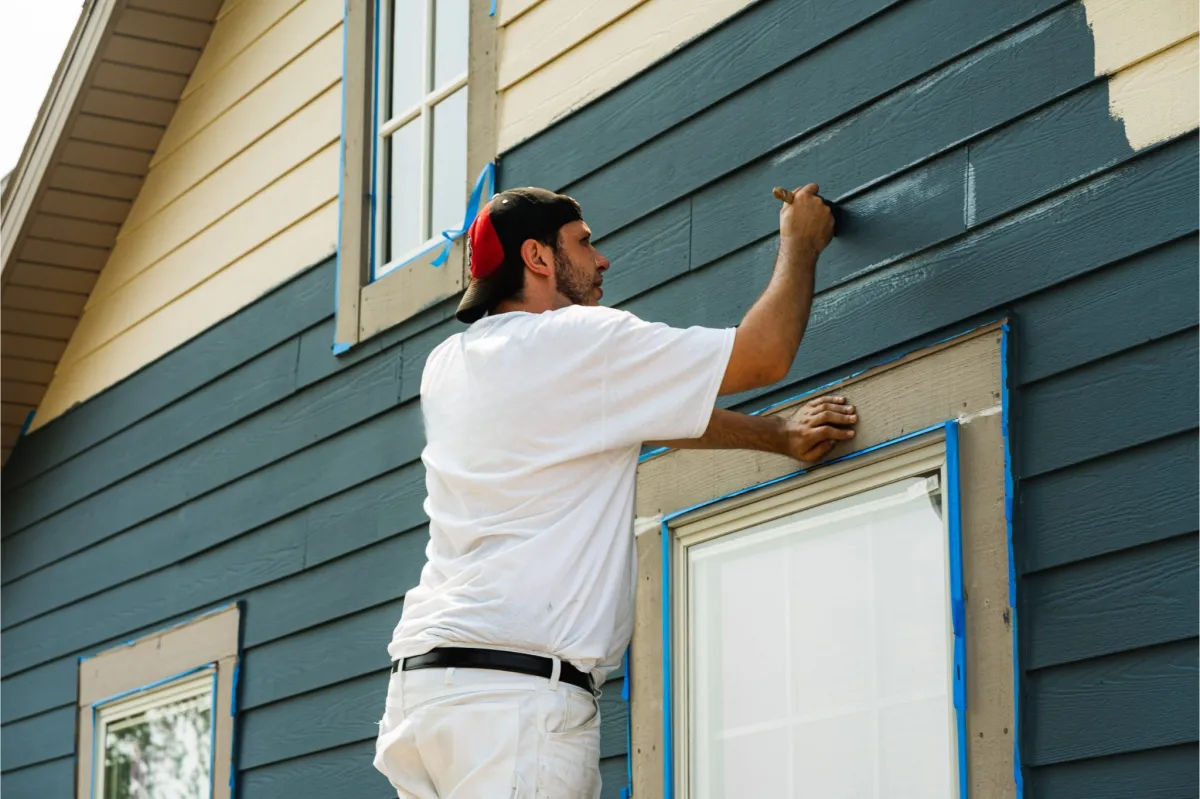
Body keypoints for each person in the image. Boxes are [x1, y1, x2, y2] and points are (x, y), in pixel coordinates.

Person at [373, 183, 857, 797]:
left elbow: (647, 415)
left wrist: (778, 436)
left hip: (424, 700)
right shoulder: (576, 338)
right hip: (514, 707)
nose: (602, 261)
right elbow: (763, 356)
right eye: (584, 243)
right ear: (538, 258)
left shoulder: (448, 365)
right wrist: (800, 244)